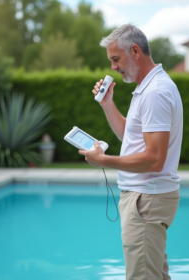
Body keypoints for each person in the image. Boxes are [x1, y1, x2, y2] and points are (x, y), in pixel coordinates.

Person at [78, 24, 183, 280]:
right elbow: (130, 137)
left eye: (116, 59)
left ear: (135, 51)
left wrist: (104, 160)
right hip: (146, 199)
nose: (113, 67)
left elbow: (154, 159)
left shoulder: (155, 92)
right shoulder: (147, 88)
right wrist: (107, 104)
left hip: (146, 200)